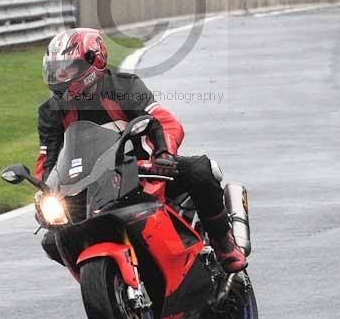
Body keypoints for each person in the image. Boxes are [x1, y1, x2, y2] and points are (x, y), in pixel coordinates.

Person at [35, 27, 246, 273]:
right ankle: (109, 281)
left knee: (201, 170)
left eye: (67, 68)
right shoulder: (50, 111)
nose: (60, 76)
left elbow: (165, 122)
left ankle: (223, 243)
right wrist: (46, 193)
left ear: (93, 61)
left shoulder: (124, 87)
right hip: (92, 185)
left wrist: (163, 154)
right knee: (54, 240)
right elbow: (47, 159)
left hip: (146, 172)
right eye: (56, 69)